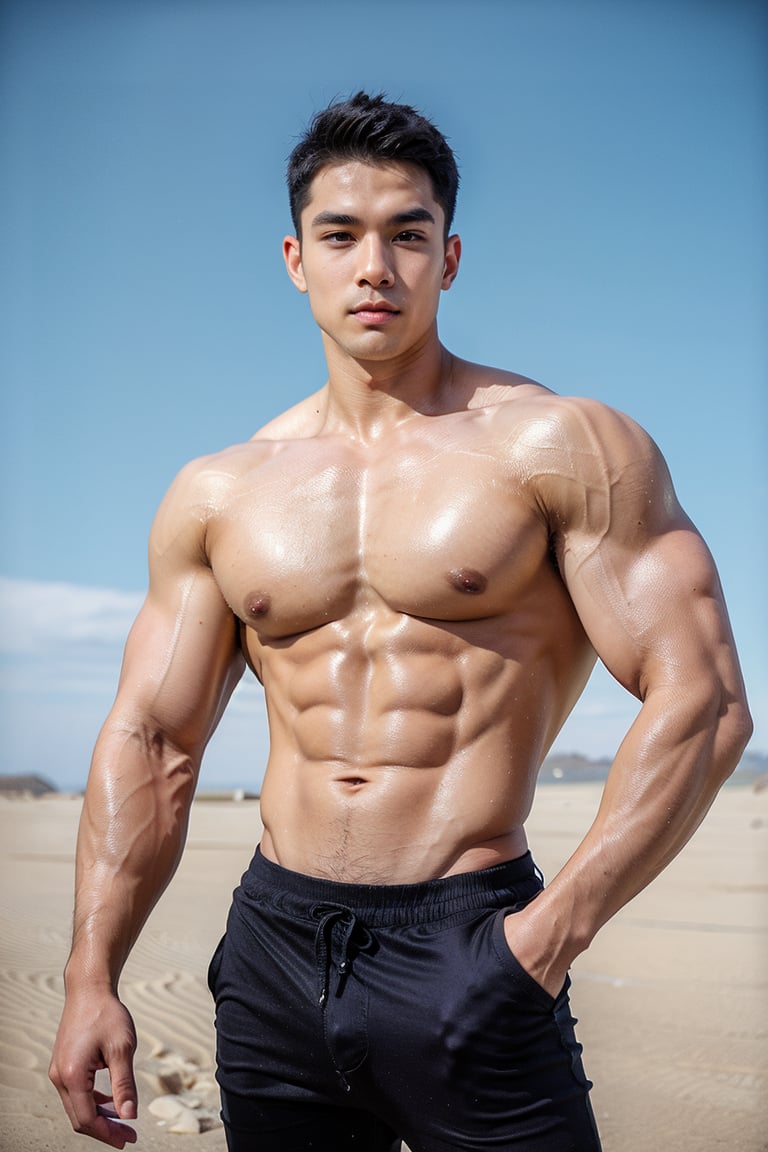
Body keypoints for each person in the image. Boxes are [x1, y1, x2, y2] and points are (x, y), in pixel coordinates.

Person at [50, 91, 752, 1152]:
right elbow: (154, 741)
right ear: (297, 258)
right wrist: (89, 973)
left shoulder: (560, 446)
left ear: (449, 258)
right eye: (341, 236)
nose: (374, 266)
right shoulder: (221, 490)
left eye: (407, 235)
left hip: (473, 943)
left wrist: (546, 940)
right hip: (271, 953)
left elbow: (702, 704)